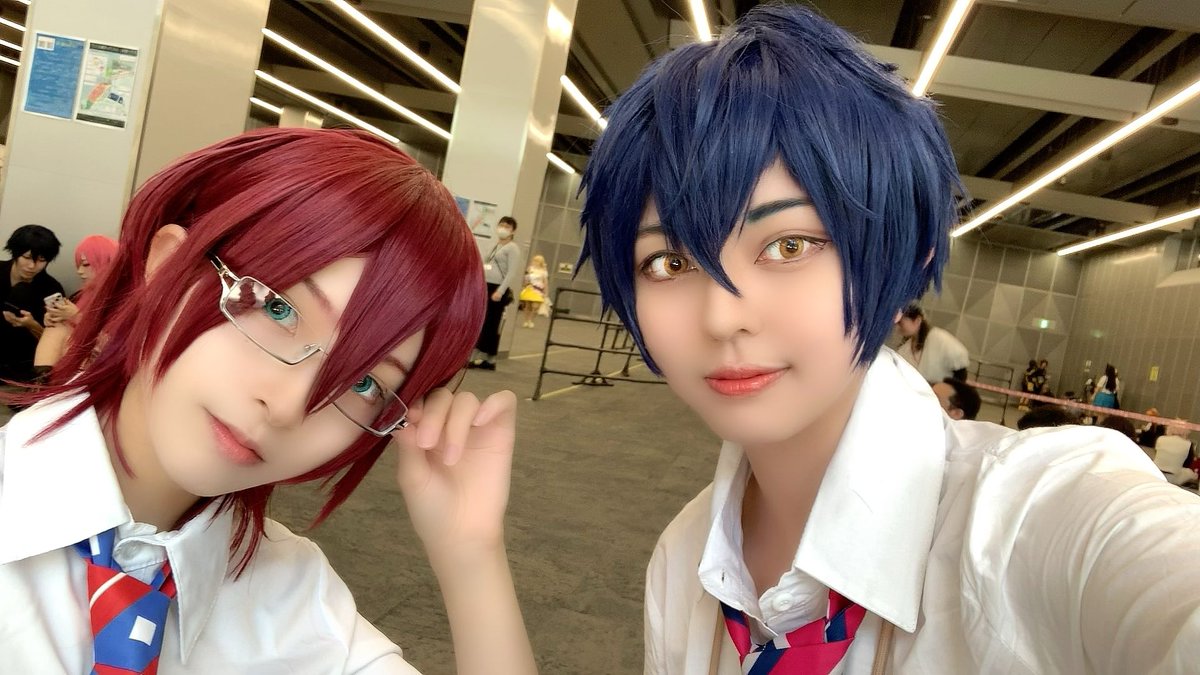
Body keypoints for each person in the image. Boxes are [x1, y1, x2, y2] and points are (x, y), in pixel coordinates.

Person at [579, 6, 1200, 673]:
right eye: (669, 262)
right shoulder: (683, 560)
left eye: (789, 245)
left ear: (903, 255)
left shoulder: (1032, 520)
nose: (722, 317)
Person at [0, 129, 535, 674]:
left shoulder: (294, 602)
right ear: (169, 264)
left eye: (363, 383)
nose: (290, 406)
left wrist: (471, 553)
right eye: (278, 309)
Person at [34, 234, 119, 371]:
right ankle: (41, 380)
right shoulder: (82, 296)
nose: (79, 271)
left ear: (107, 262)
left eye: (86, 265)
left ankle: (42, 381)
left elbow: (117, 347)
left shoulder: (127, 299)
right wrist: (57, 317)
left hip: (106, 365)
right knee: (58, 324)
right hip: (79, 360)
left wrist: (76, 317)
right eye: (79, 265)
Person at [0, 224, 65, 381]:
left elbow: (56, 343)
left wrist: (32, 325)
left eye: (41, 260)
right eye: (27, 257)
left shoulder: (52, 289)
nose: (32, 266)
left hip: (22, 368)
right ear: (15, 253)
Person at [468, 216, 520, 371]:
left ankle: (483, 357)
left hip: (497, 290)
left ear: (513, 231)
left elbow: (511, 273)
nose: (503, 228)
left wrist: (500, 291)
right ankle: (487, 358)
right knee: (483, 322)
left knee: (491, 324)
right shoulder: (495, 245)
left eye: (507, 226)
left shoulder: (512, 248)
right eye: (501, 225)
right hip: (486, 286)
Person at [895, 303, 969, 384]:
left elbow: (960, 370)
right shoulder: (904, 349)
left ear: (917, 320)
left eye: (900, 323)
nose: (897, 328)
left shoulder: (940, 338)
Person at [519, 254, 549, 328]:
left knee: (535, 306)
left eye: (537, 261)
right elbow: (526, 278)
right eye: (535, 260)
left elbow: (545, 282)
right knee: (527, 306)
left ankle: (531, 320)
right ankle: (526, 321)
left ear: (541, 262)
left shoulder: (544, 271)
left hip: (538, 290)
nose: (535, 262)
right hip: (529, 288)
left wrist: (546, 292)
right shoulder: (530, 269)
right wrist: (524, 286)